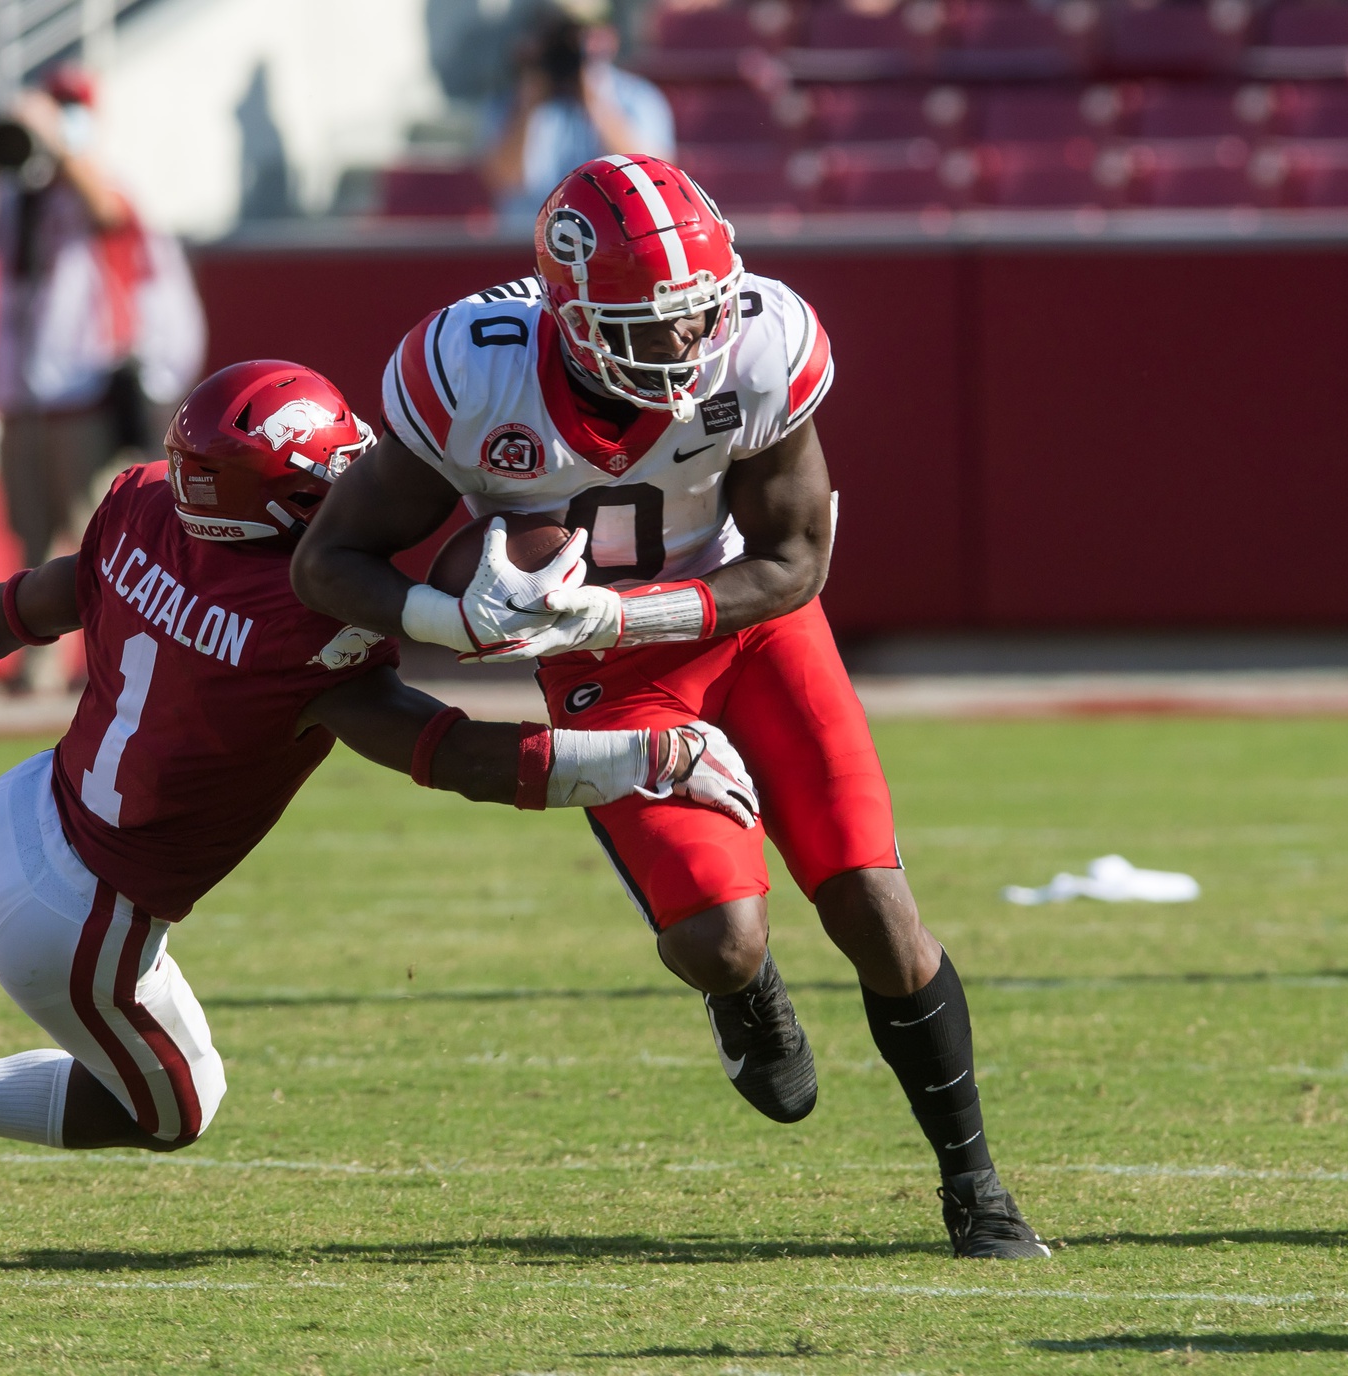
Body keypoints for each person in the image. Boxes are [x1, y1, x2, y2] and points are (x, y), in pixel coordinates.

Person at [0, 359, 757, 1239]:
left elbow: (13, 607)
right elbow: (456, 755)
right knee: (175, 1106)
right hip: (84, 906)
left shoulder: (139, 502)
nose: (351, 488)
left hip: (13, 816)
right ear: (262, 506)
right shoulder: (307, 623)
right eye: (322, 480)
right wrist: (647, 758)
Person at [291, 155, 1050, 1259]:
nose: (689, 346)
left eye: (699, 314)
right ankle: (741, 997)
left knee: (876, 909)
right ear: (569, 313)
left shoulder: (761, 338)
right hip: (616, 673)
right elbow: (331, 564)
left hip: (744, 624)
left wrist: (619, 616)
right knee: (722, 938)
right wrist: (464, 625)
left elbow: (796, 559)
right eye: (652, 325)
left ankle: (976, 1187)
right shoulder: (471, 371)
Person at [0, 65, 153, 694]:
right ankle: (38, 666)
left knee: (99, 536)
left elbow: (109, 213)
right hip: (20, 393)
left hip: (80, 389)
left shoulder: (90, 183)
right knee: (29, 536)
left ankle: (118, 662)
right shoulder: (16, 192)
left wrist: (60, 144)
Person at [480, 2, 676, 225]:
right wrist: (528, 103)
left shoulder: (639, 98)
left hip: (611, 242)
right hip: (530, 243)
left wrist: (595, 101)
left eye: (579, 34)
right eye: (555, 34)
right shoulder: (508, 103)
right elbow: (503, 179)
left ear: (609, 37)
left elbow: (651, 180)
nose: (567, 46)